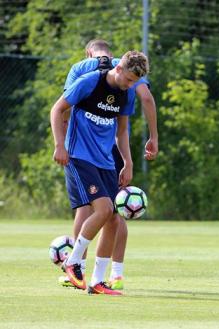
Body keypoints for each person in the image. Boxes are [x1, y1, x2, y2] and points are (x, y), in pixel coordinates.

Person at [57, 39, 158, 291]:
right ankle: (73, 261)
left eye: (135, 82)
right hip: (79, 155)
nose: (130, 85)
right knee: (102, 209)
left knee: (113, 217)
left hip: (105, 159)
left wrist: (128, 162)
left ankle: (97, 281)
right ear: (119, 68)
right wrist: (59, 145)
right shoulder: (90, 81)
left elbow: (121, 131)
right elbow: (57, 109)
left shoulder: (127, 93)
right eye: (128, 79)